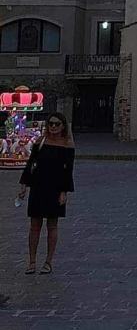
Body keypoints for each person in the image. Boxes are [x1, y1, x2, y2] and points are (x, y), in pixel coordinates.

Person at [17, 112, 75, 275]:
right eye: (51, 124)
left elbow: (68, 170)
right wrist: (23, 185)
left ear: (63, 126)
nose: (54, 127)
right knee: (34, 225)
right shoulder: (40, 141)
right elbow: (31, 164)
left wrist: (64, 192)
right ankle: (32, 261)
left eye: (57, 124)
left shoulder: (67, 144)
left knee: (52, 225)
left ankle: (48, 262)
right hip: (38, 186)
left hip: (55, 189)